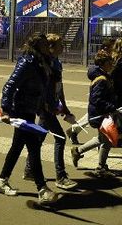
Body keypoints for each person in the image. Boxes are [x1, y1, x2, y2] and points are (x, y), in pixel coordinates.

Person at [0, 33, 58, 203]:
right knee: (34, 147)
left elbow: (42, 88)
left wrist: (49, 105)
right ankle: (42, 189)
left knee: (17, 147)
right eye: (44, 44)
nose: (48, 47)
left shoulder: (41, 62)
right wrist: (5, 110)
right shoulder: (27, 62)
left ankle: (1, 181)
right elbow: (9, 86)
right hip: (20, 110)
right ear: (37, 46)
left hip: (30, 109)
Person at [24, 33, 78, 190]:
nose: (63, 47)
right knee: (60, 138)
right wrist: (48, 104)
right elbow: (43, 86)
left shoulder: (56, 62)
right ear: (50, 47)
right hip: (45, 107)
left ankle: (29, 170)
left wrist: (64, 106)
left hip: (50, 105)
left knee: (39, 139)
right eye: (60, 45)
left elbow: (58, 87)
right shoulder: (45, 63)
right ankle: (60, 176)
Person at [70, 50, 118, 177]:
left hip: (101, 113)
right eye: (109, 62)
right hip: (100, 114)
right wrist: (111, 107)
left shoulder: (104, 76)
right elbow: (96, 99)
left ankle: (78, 151)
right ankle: (101, 167)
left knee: (102, 139)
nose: (112, 64)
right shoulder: (101, 79)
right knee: (106, 140)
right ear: (103, 64)